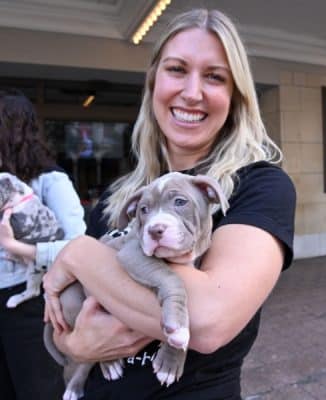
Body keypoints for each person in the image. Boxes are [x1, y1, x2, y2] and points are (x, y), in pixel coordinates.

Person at [43, 8, 296, 400]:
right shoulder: (118, 199)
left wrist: (78, 255)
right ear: (153, 84)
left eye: (214, 76)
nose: (192, 92)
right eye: (177, 69)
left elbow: (209, 321)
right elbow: (63, 324)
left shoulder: (258, 186)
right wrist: (77, 348)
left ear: (235, 96)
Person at [0, 89, 87, 400]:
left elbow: (78, 248)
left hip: (33, 304)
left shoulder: (50, 181)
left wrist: (20, 249)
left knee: (38, 391)